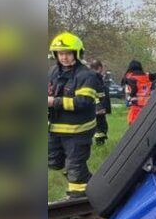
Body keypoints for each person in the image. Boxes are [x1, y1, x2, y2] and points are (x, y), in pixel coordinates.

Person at [47, 32, 103, 196]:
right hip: (55, 129)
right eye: (60, 53)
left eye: (68, 53)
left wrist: (53, 102)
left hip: (78, 131)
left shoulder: (87, 75)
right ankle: (93, 183)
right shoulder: (51, 73)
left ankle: (77, 199)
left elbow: (83, 102)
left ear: (77, 53)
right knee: (53, 162)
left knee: (75, 168)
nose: (64, 57)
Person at [121, 60, 156, 124]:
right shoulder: (147, 76)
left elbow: (126, 85)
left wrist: (130, 96)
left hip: (136, 103)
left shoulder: (129, 76)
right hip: (147, 103)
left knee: (133, 122)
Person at [88, 59, 113, 145]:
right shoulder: (94, 78)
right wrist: (99, 106)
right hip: (97, 106)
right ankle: (100, 142)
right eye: (103, 68)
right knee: (100, 126)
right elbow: (95, 93)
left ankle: (99, 141)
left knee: (99, 125)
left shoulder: (93, 77)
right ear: (100, 68)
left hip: (96, 106)